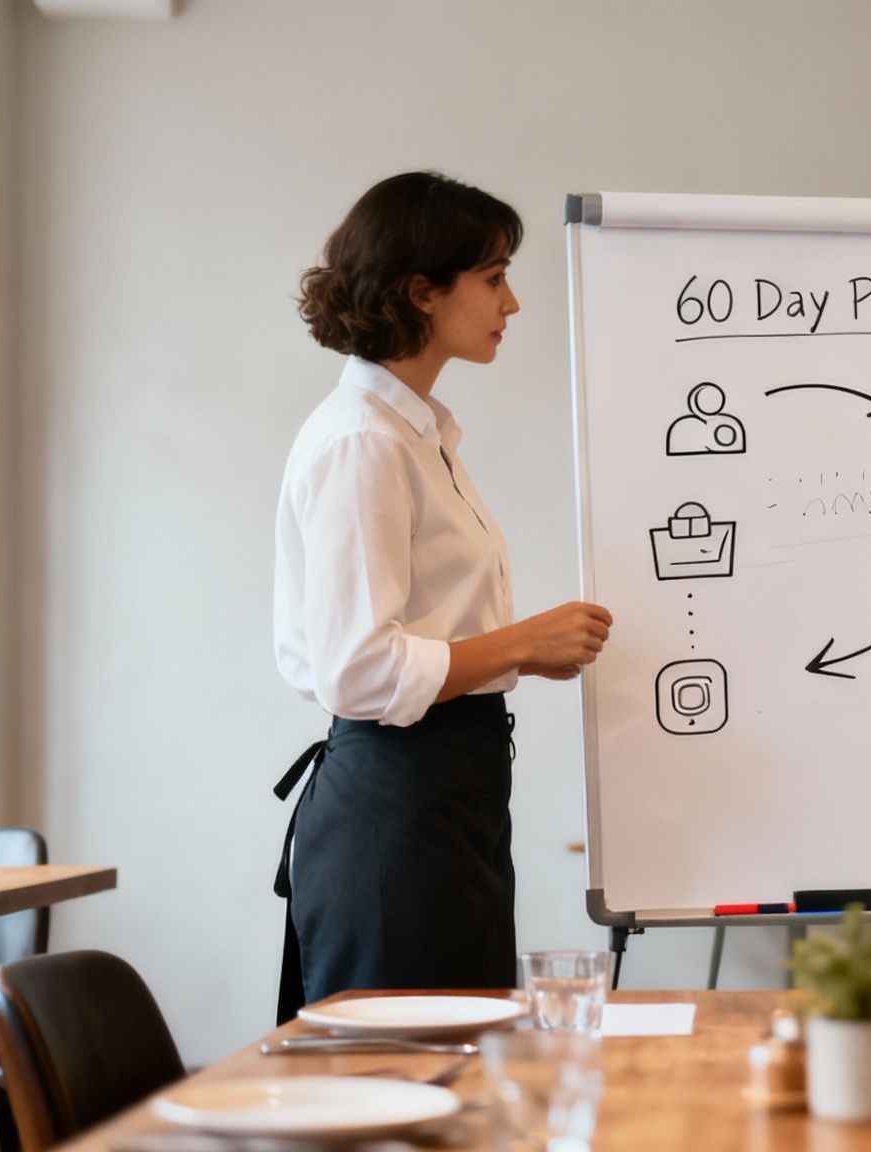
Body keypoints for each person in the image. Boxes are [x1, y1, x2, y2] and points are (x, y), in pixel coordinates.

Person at [271, 172, 613, 1021]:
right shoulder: (364, 442)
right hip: (399, 805)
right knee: (408, 1073)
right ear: (423, 291)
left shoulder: (416, 435)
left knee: (460, 1057)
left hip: (445, 795)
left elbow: (412, 638)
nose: (512, 303)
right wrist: (520, 643)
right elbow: (357, 669)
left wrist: (514, 657)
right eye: (494, 278)